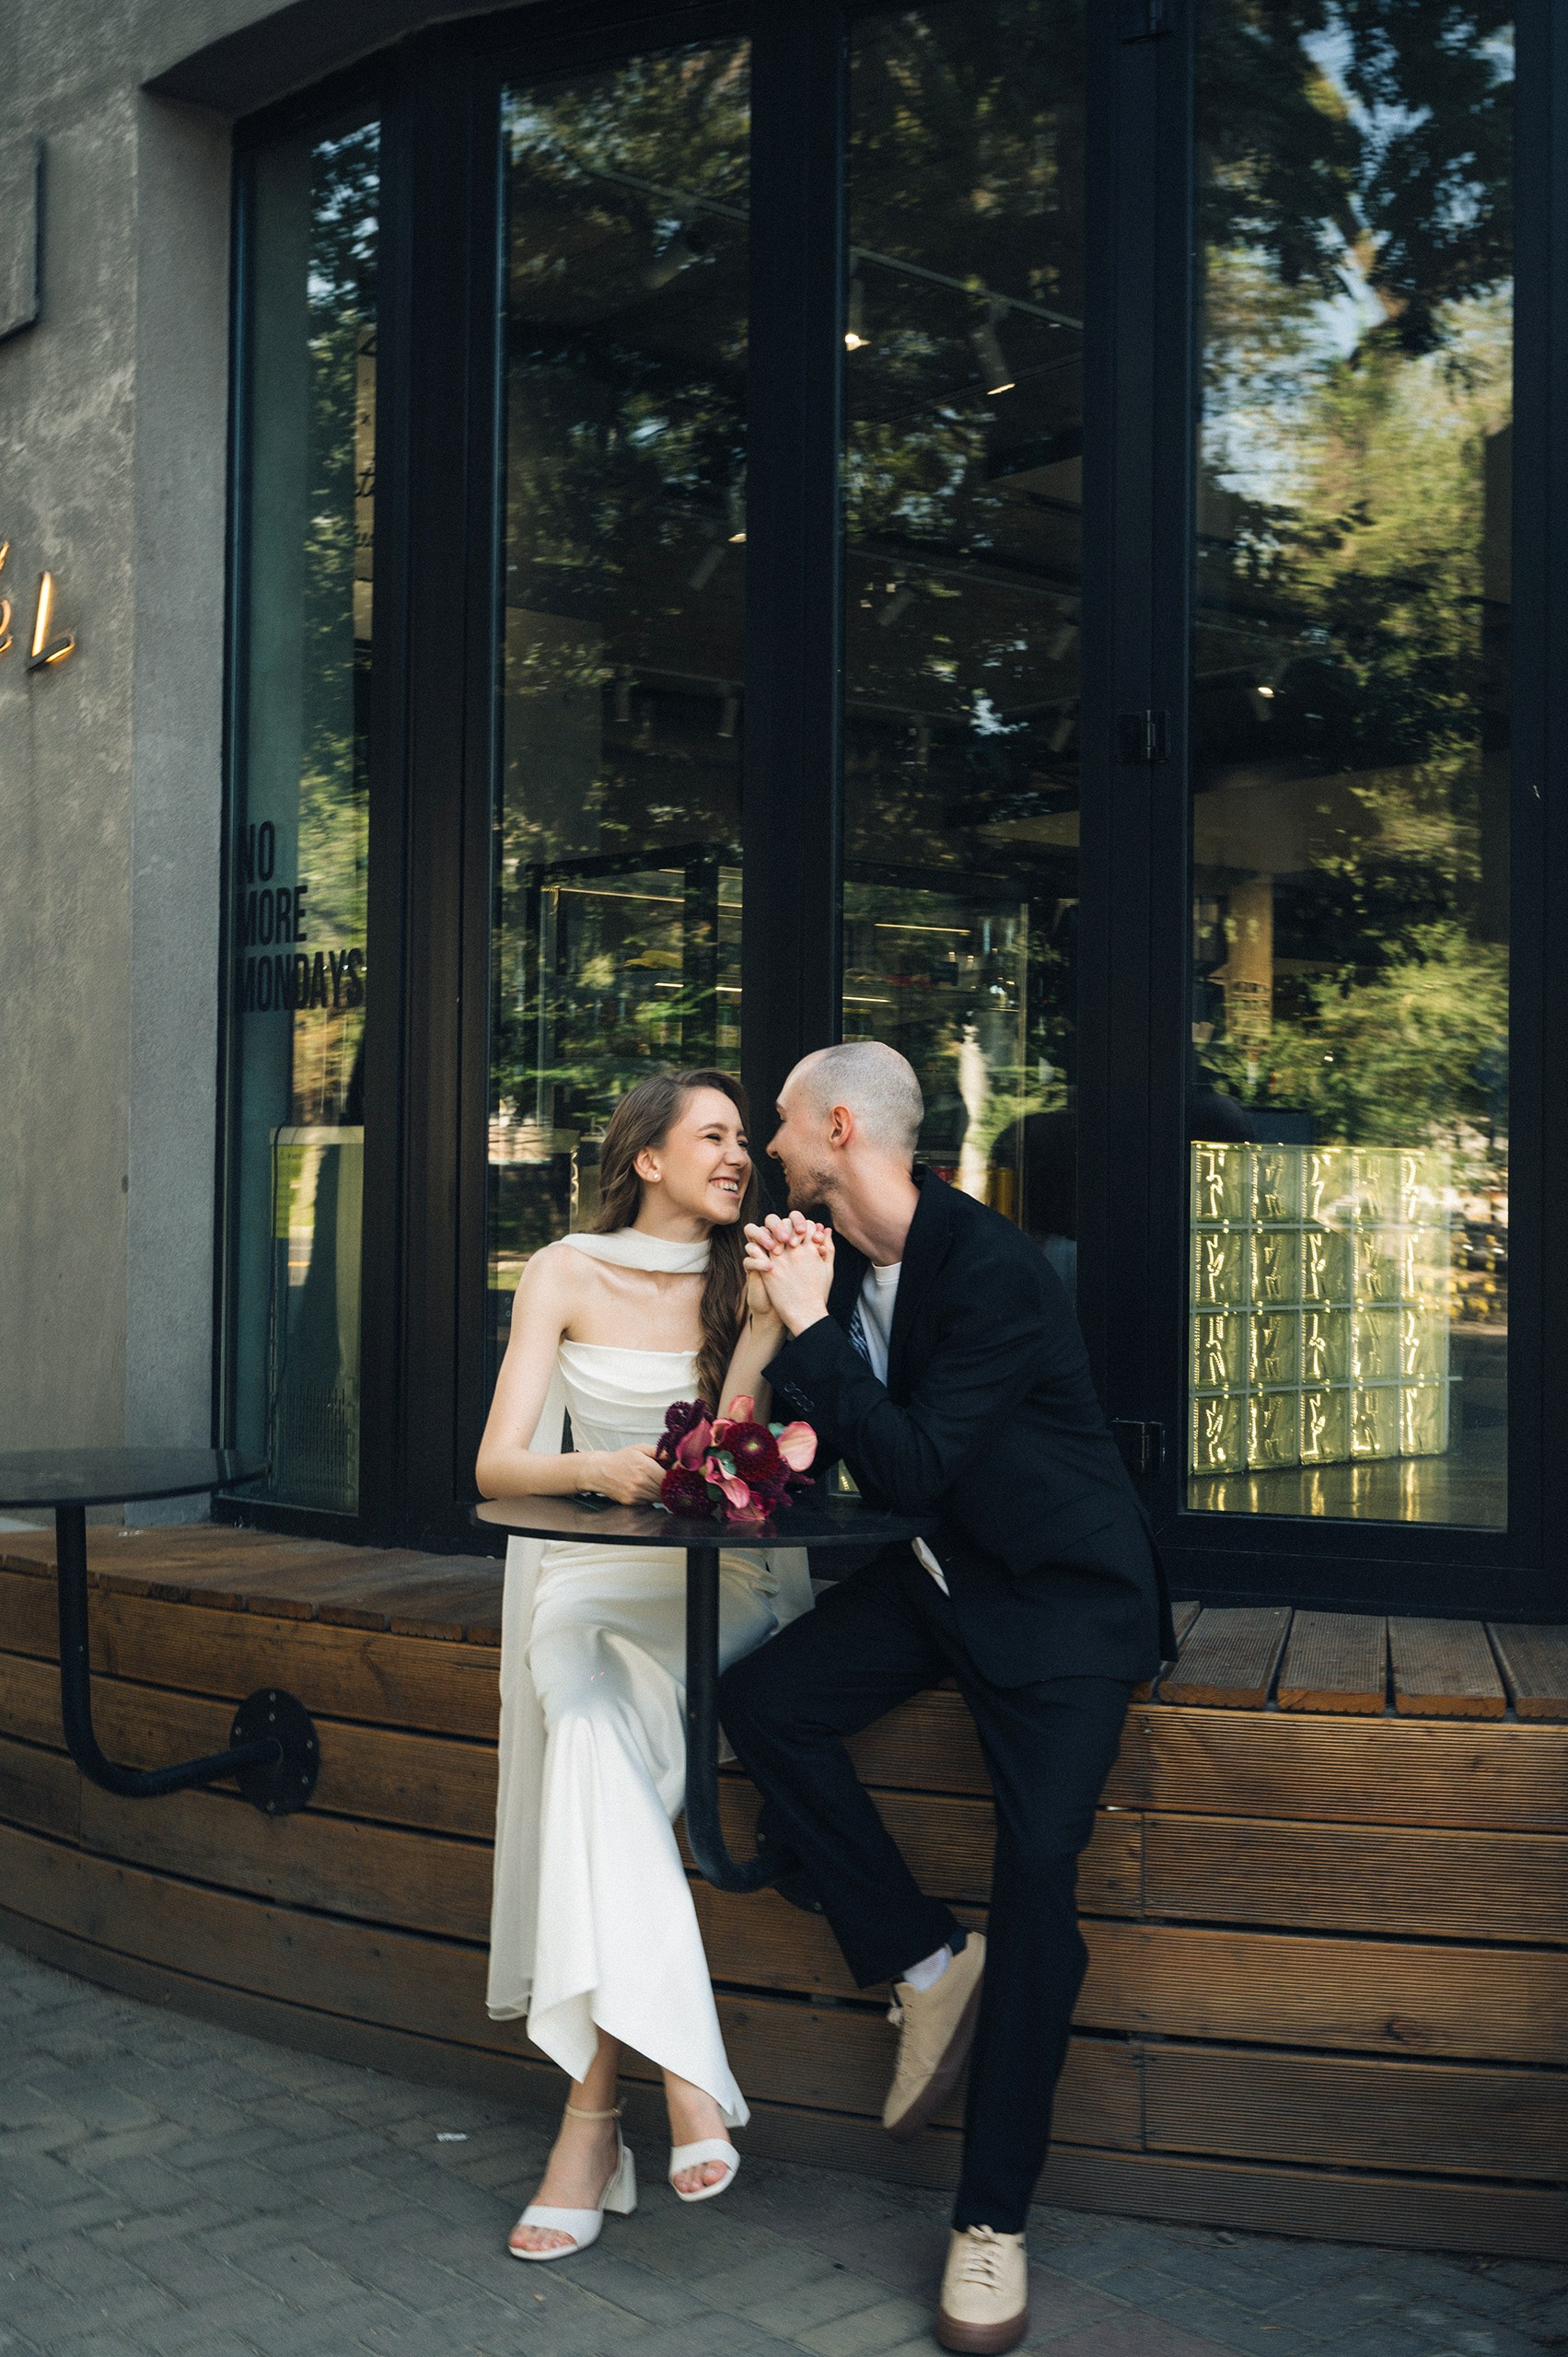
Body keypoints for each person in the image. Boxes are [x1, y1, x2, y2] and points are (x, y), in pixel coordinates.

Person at [720, 1041, 1174, 2357]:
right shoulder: (842, 1261)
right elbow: (840, 1448)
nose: (769, 1147)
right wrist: (781, 1335)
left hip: (1063, 1606)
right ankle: (925, 1960)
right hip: (938, 1578)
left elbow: (912, 1459)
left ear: (840, 1129)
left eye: (783, 1124)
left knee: (1037, 1885)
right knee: (767, 1704)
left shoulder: (993, 1273)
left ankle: (991, 2224)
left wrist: (812, 1330)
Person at [477, 1068, 814, 2262]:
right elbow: (497, 1465)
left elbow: (733, 1456)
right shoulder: (562, 1270)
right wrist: (596, 1468)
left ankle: (593, 2126)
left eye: (745, 1139)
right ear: (648, 1157)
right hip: (584, 1575)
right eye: (713, 1136)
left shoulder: (748, 1278)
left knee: (595, 1754)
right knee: (587, 1724)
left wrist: (768, 1328)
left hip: (709, 1585)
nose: (739, 1156)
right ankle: (680, 2067)